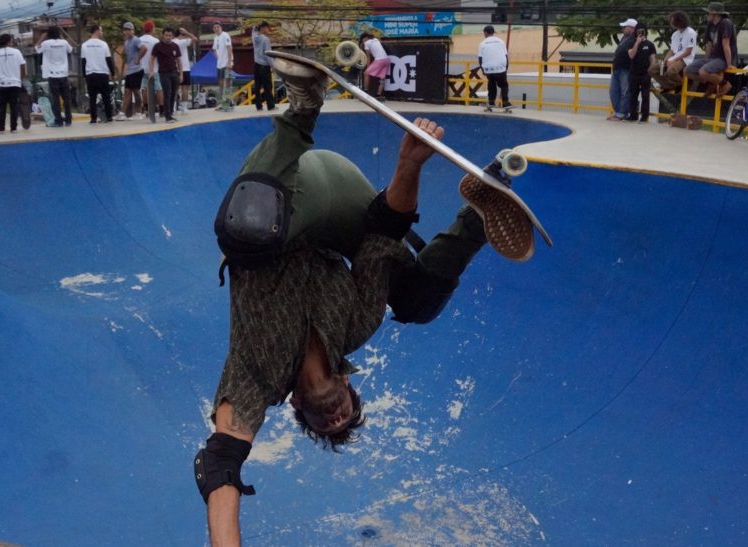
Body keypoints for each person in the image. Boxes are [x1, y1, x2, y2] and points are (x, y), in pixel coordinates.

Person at [196, 53, 536, 545]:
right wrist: (409, 161)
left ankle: (303, 106)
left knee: (244, 233)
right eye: (348, 414)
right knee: (414, 304)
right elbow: (383, 233)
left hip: (282, 203)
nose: (337, 417)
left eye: (327, 424)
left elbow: (221, 464)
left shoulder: (255, 379)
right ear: (348, 387)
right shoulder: (358, 325)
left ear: (297, 408)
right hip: (340, 204)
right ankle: (480, 212)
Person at [685, 2, 737, 98]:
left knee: (703, 71)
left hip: (723, 58)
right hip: (713, 58)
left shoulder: (725, 23)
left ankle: (725, 84)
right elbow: (709, 43)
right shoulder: (710, 24)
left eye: (708, 13)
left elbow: (726, 45)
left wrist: (729, 64)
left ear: (714, 13)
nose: (707, 15)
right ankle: (711, 83)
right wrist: (706, 60)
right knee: (688, 70)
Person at [35, 26, 75, 127]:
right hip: (63, 74)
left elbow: (37, 48)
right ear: (59, 33)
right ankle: (68, 120)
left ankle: (59, 121)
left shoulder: (45, 44)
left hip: (52, 75)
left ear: (48, 34)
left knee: (55, 99)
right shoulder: (64, 42)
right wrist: (62, 38)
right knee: (66, 98)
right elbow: (70, 50)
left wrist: (42, 38)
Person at [649, 11, 697, 93]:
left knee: (671, 71)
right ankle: (669, 85)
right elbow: (672, 51)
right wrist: (665, 61)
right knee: (652, 69)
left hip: (685, 59)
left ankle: (681, 84)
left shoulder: (690, 32)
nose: (670, 22)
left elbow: (688, 52)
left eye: (672, 20)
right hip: (674, 58)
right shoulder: (675, 34)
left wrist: (674, 60)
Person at [0, 34, 27, 133]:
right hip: (15, 83)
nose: (12, 42)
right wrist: (21, 79)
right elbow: (23, 66)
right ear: (9, 41)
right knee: (14, 106)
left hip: (1, 84)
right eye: (12, 40)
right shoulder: (16, 52)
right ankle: (13, 127)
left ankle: (1, 127)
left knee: (2, 107)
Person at [81, 24, 116, 123]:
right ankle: (109, 117)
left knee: (92, 98)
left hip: (90, 74)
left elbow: (83, 62)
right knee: (106, 97)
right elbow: (108, 59)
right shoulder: (103, 44)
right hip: (102, 74)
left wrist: (84, 75)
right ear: (96, 31)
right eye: (101, 30)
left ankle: (93, 118)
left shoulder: (84, 45)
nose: (102, 32)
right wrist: (112, 72)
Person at [149, 27, 182, 123]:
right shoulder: (158, 46)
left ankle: (170, 113)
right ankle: (167, 116)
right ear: (163, 36)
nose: (168, 37)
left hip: (174, 72)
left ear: (172, 36)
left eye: (170, 35)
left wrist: (181, 74)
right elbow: (151, 59)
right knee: (167, 93)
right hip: (164, 73)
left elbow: (179, 61)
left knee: (173, 94)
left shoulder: (175, 46)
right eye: (166, 35)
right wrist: (151, 71)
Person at [626, 22, 657, 123]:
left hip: (645, 74)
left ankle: (644, 116)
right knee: (633, 95)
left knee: (645, 96)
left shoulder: (650, 44)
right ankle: (633, 115)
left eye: (642, 31)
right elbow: (631, 55)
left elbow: (653, 59)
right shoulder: (631, 42)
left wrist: (650, 72)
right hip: (633, 73)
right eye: (638, 31)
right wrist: (637, 43)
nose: (640, 33)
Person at [607, 19, 637, 121]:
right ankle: (617, 112)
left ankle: (622, 113)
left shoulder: (634, 39)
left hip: (626, 68)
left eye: (626, 27)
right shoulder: (624, 38)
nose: (623, 28)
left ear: (632, 28)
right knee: (613, 91)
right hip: (617, 68)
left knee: (625, 91)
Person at [478, 25, 511, 111]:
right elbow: (506, 56)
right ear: (493, 32)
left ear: (485, 33)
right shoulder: (501, 41)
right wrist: (505, 69)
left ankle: (491, 101)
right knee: (504, 85)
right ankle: (505, 102)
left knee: (491, 83)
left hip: (488, 69)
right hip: (501, 68)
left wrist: (483, 70)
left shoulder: (482, 43)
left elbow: (480, 58)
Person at [119, 22, 144, 120]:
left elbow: (144, 48)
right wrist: (126, 68)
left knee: (136, 92)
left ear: (133, 30)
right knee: (127, 92)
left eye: (129, 30)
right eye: (125, 30)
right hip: (130, 71)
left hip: (137, 70)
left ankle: (138, 112)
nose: (127, 32)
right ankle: (122, 113)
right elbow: (127, 57)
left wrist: (138, 58)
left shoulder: (136, 40)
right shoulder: (126, 42)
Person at [139, 20, 162, 119]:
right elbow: (159, 56)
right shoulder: (156, 41)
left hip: (141, 69)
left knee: (144, 88)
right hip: (154, 69)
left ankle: (146, 108)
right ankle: (162, 109)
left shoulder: (139, 40)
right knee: (159, 89)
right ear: (152, 29)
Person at [251, 21, 276, 112]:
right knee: (267, 86)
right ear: (263, 28)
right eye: (267, 28)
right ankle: (271, 106)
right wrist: (273, 66)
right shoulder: (265, 39)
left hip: (256, 65)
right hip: (264, 66)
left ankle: (259, 106)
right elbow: (268, 54)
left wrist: (256, 26)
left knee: (257, 86)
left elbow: (253, 30)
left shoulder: (254, 37)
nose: (268, 29)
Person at [174, 27, 198, 114]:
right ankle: (184, 108)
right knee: (185, 89)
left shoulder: (173, 41)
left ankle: (173, 108)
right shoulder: (183, 42)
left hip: (175, 68)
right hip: (185, 68)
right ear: (182, 34)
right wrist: (187, 32)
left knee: (174, 89)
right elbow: (195, 38)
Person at [359, 32, 389, 99]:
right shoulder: (376, 39)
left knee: (366, 73)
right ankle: (379, 95)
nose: (363, 42)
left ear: (365, 39)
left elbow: (368, 57)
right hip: (386, 60)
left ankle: (365, 91)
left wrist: (368, 67)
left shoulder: (366, 43)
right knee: (382, 78)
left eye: (363, 40)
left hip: (379, 60)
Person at [213, 22, 234, 111]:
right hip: (220, 64)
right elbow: (214, 49)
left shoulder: (225, 35)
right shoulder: (215, 38)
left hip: (227, 63)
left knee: (227, 85)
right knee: (221, 85)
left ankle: (227, 105)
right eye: (215, 27)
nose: (216, 29)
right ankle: (224, 103)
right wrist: (218, 58)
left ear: (221, 27)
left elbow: (229, 48)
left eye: (218, 27)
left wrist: (229, 62)